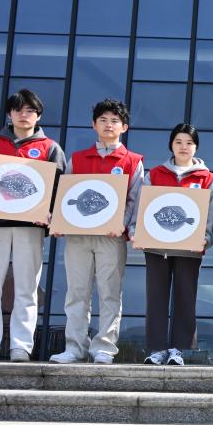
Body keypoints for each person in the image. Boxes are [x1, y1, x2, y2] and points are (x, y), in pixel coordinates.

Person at [0, 88, 67, 362]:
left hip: (30, 227)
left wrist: (49, 213)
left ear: (39, 116)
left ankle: (20, 346)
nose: (24, 115)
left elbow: (59, 187)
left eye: (30, 110)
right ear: (9, 114)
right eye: (18, 110)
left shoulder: (50, 148)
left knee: (27, 288)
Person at [49, 98, 143, 366]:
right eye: (103, 120)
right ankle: (75, 347)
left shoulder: (132, 161)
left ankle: (105, 347)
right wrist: (59, 221)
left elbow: (135, 199)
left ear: (124, 127)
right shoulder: (77, 159)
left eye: (114, 120)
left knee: (110, 292)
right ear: (94, 124)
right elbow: (66, 196)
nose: (109, 125)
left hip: (111, 237)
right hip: (78, 236)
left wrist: (122, 224)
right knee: (76, 292)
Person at [134, 123, 213, 367]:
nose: (184, 147)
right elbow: (142, 206)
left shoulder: (206, 178)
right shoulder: (155, 174)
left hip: (190, 247)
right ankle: (157, 349)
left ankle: (177, 350)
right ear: (171, 145)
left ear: (196, 147)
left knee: (185, 296)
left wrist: (206, 237)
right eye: (179, 142)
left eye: (189, 143)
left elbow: (211, 212)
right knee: (156, 296)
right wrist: (137, 231)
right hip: (156, 246)